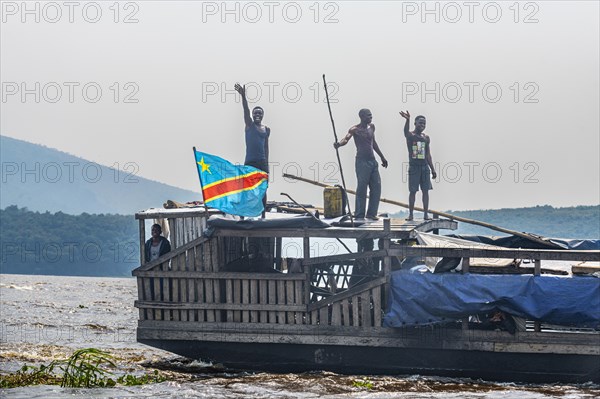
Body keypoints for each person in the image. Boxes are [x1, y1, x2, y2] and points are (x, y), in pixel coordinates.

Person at [334, 109, 388, 220]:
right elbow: (346, 139)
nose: (370, 117)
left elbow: (374, 143)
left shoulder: (372, 127)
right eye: (368, 116)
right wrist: (339, 144)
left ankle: (371, 214)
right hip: (362, 162)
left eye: (371, 116)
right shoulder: (355, 129)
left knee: (376, 187)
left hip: (373, 161)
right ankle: (359, 214)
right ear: (362, 116)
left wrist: (382, 157)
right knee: (362, 188)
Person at [234, 83, 270, 217]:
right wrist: (243, 96)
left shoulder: (266, 129)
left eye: (259, 113)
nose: (257, 115)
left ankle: (263, 215)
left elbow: (266, 149)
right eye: (255, 113)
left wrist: (267, 168)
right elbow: (245, 110)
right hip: (250, 162)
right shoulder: (249, 125)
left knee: (263, 189)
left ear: (263, 115)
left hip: (262, 163)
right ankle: (242, 214)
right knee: (246, 188)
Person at [399, 111, 437, 221]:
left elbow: (428, 154)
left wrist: (433, 169)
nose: (422, 125)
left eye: (424, 124)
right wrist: (407, 120)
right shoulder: (411, 136)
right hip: (414, 167)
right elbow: (405, 132)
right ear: (415, 123)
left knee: (426, 191)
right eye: (420, 123)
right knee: (413, 191)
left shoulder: (426, 138)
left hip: (424, 167)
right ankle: (411, 214)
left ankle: (425, 214)